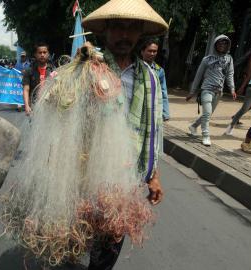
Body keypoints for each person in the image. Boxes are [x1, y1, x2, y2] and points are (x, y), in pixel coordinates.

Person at [81, 0, 166, 268]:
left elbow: (154, 130)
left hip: (126, 177)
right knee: (79, 234)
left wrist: (154, 175)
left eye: (132, 28)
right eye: (118, 27)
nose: (125, 35)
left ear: (141, 34)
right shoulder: (86, 69)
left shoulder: (150, 77)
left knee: (110, 242)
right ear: (105, 30)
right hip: (85, 171)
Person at [186, 35, 237, 146]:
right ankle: (205, 135)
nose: (222, 45)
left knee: (207, 114)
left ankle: (193, 126)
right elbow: (198, 76)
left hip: (219, 92)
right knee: (207, 113)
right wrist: (192, 92)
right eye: (219, 43)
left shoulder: (229, 59)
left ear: (228, 45)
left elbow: (230, 74)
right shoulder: (207, 59)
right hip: (206, 89)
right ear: (215, 45)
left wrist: (232, 89)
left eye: (224, 43)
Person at [22, 42, 55, 116]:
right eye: (40, 53)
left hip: (50, 108)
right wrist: (27, 106)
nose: (42, 55)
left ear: (48, 54)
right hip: (34, 108)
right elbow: (26, 89)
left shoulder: (53, 70)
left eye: (44, 52)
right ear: (35, 55)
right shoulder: (29, 71)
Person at [141, 39, 170, 121]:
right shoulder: (135, 68)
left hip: (152, 108)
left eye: (155, 51)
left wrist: (165, 113)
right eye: (149, 51)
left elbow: (163, 92)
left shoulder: (159, 71)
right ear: (142, 52)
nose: (152, 54)